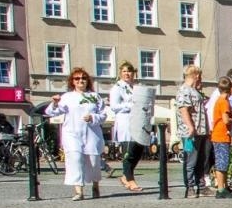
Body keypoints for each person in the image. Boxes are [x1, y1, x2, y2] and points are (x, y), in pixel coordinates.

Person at [44, 68, 107, 200]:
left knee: (93, 162)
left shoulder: (94, 97)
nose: (80, 81)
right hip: (72, 133)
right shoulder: (67, 97)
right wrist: (55, 103)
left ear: (87, 81)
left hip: (91, 134)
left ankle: (95, 185)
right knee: (75, 159)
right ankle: (79, 191)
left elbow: (103, 115)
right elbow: (51, 112)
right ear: (72, 81)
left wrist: (93, 117)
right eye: (77, 78)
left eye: (83, 78)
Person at [110, 61, 155, 193]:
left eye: (129, 71)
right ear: (120, 73)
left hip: (138, 121)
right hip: (125, 121)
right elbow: (114, 106)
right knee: (129, 151)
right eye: (124, 71)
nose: (127, 74)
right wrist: (131, 106)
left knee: (138, 149)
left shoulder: (135, 88)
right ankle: (130, 179)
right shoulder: (117, 88)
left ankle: (126, 176)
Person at [175, 64, 211, 197]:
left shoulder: (194, 90)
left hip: (201, 131)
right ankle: (189, 187)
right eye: (199, 76)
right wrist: (190, 127)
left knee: (201, 160)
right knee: (191, 161)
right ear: (196, 75)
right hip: (190, 133)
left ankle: (201, 186)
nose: (200, 78)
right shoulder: (185, 90)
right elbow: (184, 110)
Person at [209, 76, 232, 197]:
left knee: (223, 161)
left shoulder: (219, 100)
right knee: (222, 162)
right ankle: (220, 189)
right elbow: (225, 120)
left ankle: (224, 186)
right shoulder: (224, 102)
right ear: (229, 89)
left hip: (219, 135)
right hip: (221, 135)